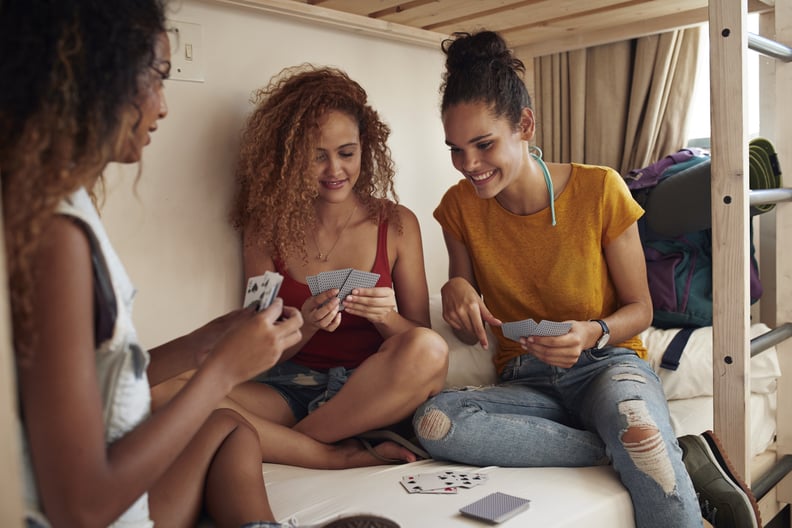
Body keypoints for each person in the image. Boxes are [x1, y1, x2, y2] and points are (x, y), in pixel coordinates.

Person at [1, 2, 398, 527]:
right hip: (104, 510)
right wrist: (220, 372)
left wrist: (204, 342)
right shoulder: (53, 237)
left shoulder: (59, 208)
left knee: (232, 430)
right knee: (223, 413)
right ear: (98, 77)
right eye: (156, 78)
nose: (163, 106)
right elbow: (82, 507)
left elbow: (103, 381)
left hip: (132, 483)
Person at [411, 30, 761, 528]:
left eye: (483, 144)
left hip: (605, 365)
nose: (469, 165)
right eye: (456, 149)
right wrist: (455, 290)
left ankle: (640, 441)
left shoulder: (600, 189)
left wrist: (591, 333)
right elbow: (471, 322)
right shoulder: (458, 209)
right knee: (436, 422)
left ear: (525, 125)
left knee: (638, 432)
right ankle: (629, 448)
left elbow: (640, 310)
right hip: (525, 382)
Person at [153, 64, 448, 465]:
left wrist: (386, 318)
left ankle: (291, 444)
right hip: (288, 387)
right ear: (291, 158)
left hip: (369, 390)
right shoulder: (265, 229)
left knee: (430, 351)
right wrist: (307, 324)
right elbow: (262, 345)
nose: (335, 171)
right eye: (317, 157)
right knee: (159, 387)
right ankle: (327, 453)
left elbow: (420, 339)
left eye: (347, 153)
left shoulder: (396, 224)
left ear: (366, 147)